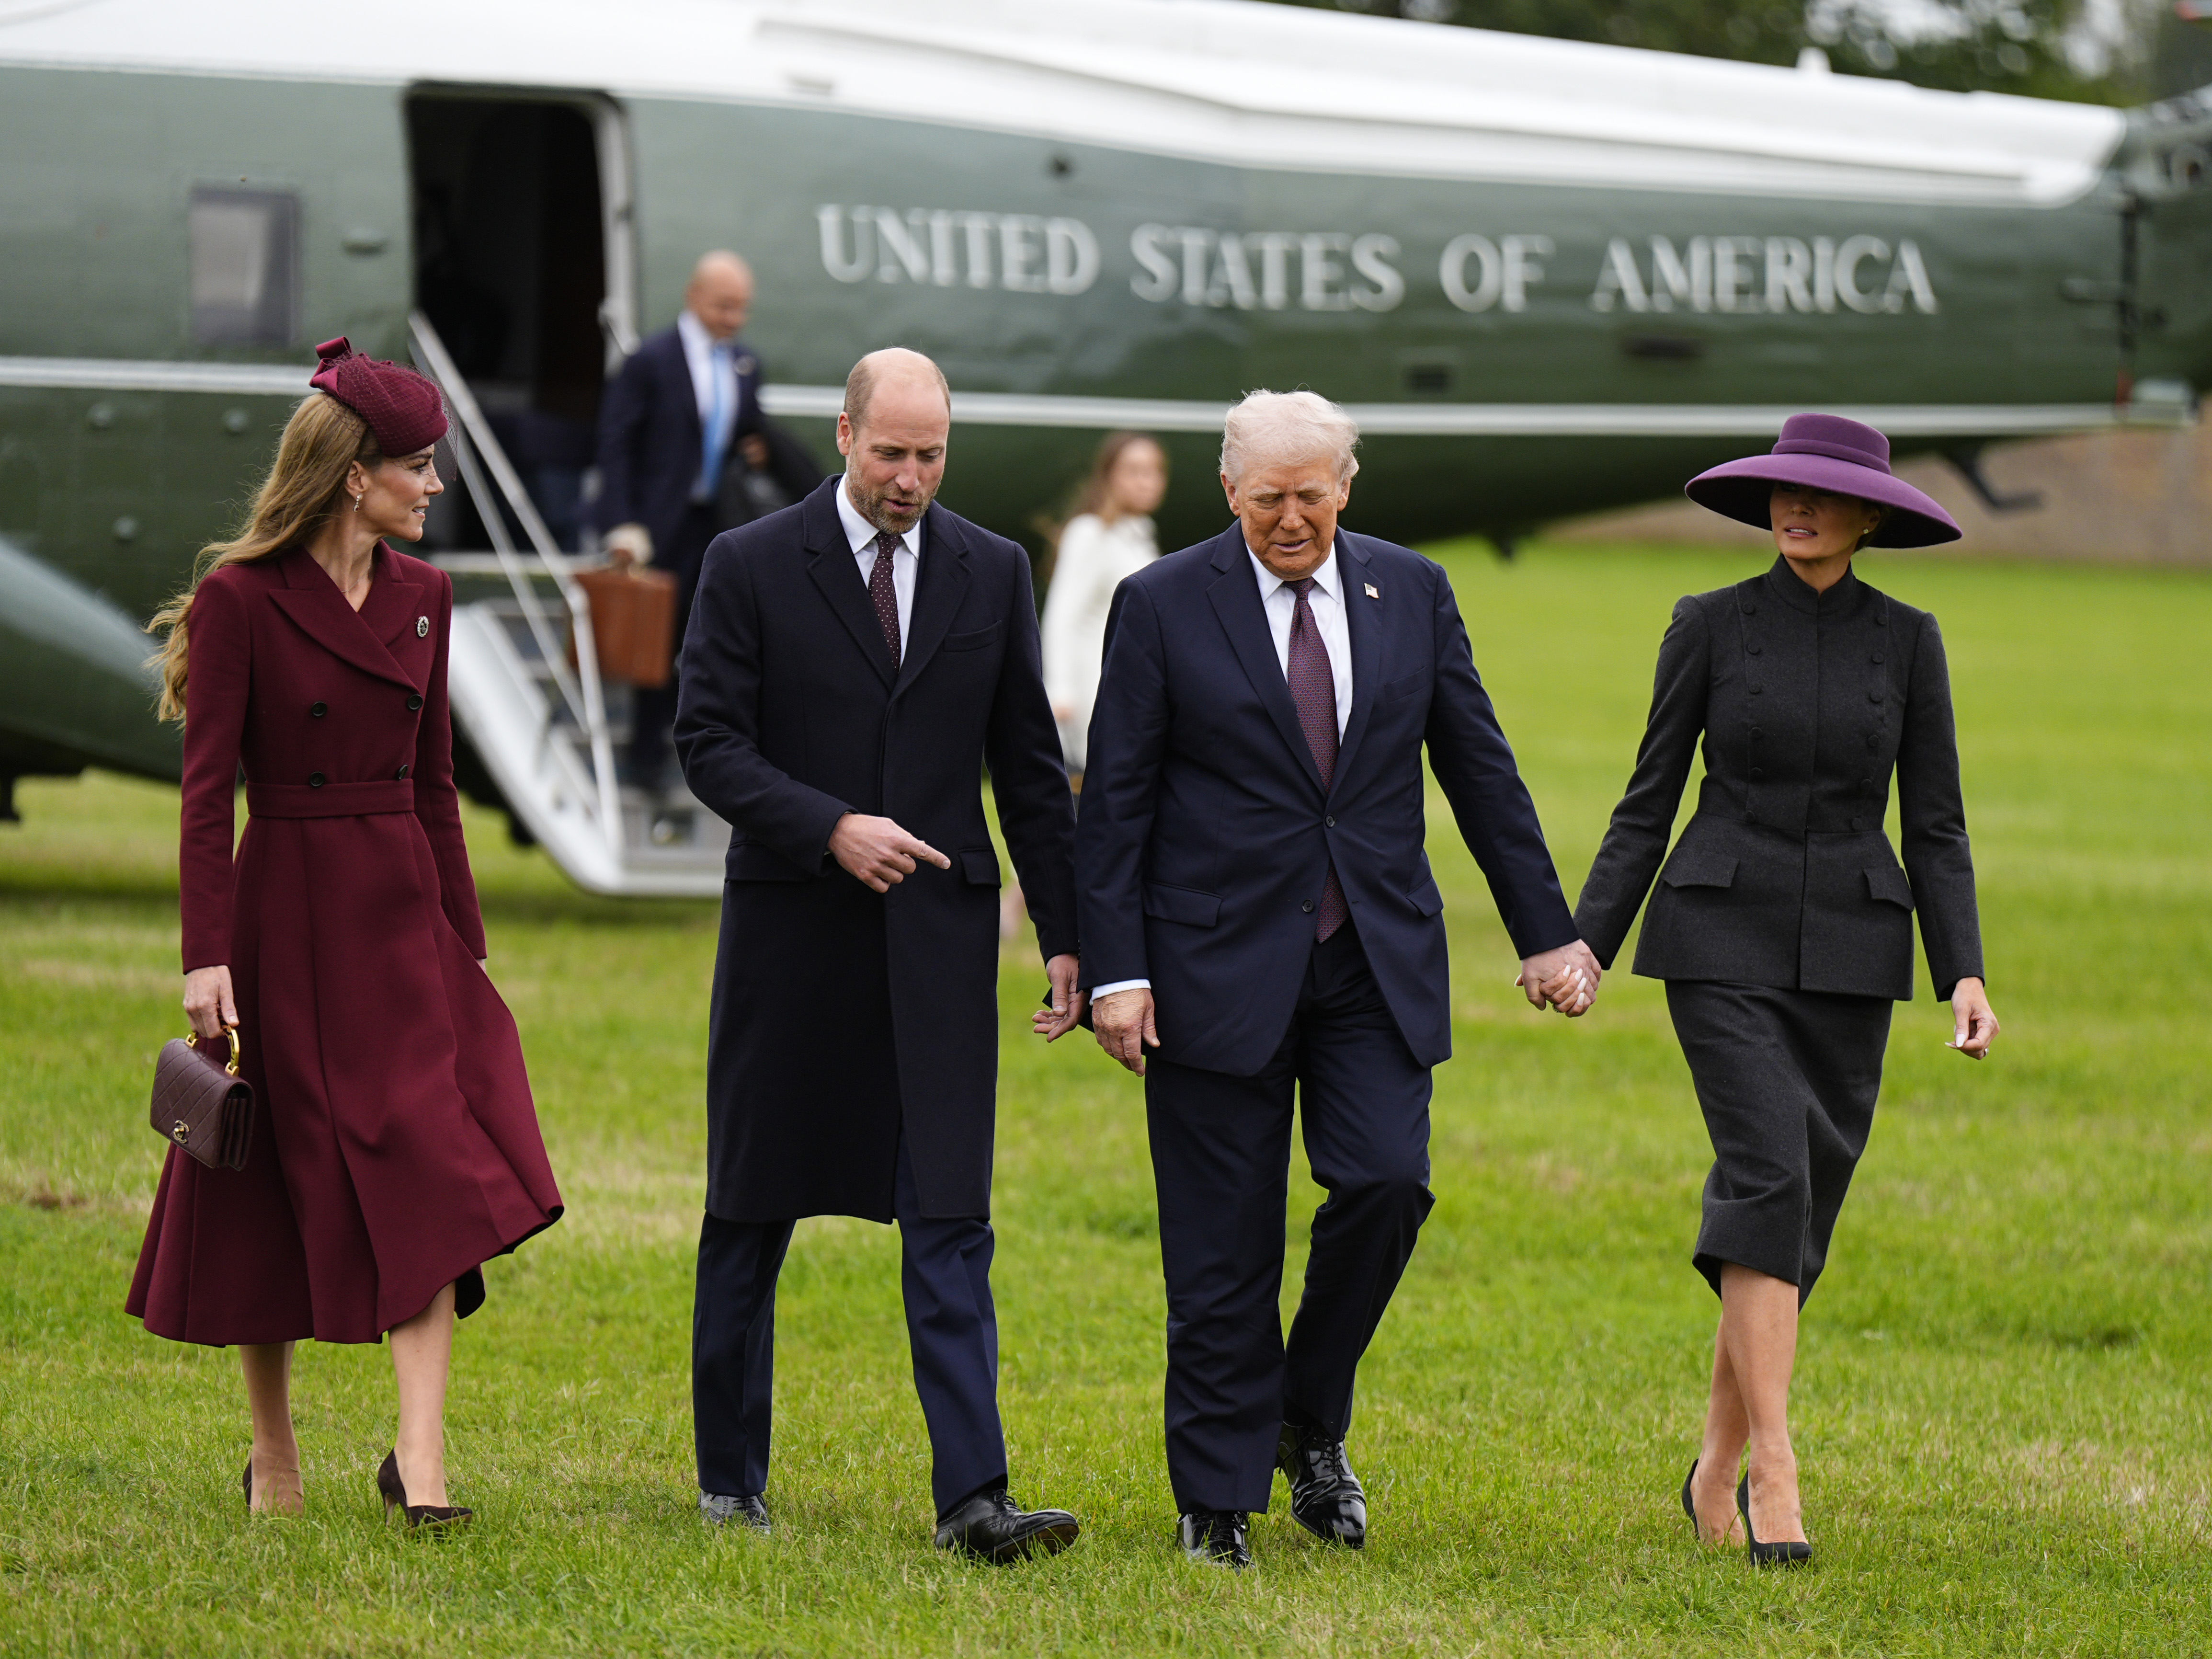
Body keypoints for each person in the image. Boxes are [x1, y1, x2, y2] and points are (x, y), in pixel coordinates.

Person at [1074, 390, 1601, 1569]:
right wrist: (1117, 969)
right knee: (1221, 1245)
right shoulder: (1160, 604)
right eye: (1267, 498)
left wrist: (1545, 931)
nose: (1290, 518)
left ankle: (1304, 1414)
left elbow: (1478, 765)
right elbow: (1112, 804)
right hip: (1210, 964)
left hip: (1372, 955)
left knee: (1383, 1184)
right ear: (1229, 492)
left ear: (1345, 487)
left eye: (1311, 494)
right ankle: (1214, 1498)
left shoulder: (1407, 590)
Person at [132, 338, 563, 1526]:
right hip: (278, 912)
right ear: (348, 474)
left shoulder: (429, 597)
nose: (432, 487)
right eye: (415, 467)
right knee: (258, 1176)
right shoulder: (238, 600)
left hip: (398, 918)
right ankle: (274, 1454)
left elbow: (434, 783)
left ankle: (421, 1466)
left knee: (429, 1161)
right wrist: (204, 953)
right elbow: (206, 792)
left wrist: (460, 938)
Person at [673, 347, 1085, 1559]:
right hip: (790, 939)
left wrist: (1068, 936)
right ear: (844, 432)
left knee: (950, 1213)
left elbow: (1025, 770)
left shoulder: (992, 569)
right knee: (750, 1208)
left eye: (931, 454)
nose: (910, 477)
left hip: (939, 948)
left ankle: (973, 1496)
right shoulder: (748, 563)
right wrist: (826, 825)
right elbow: (706, 740)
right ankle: (728, 1476)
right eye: (890, 451)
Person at [1573, 413, 1999, 1567]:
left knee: (1792, 1209)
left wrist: (1959, 965)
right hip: (1715, 933)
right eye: (1781, 493)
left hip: (1856, 954)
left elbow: (1937, 821)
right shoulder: (1708, 624)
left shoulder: (1908, 641)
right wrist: (1585, 943)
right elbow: (1645, 795)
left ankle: (1710, 1467)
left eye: (1819, 497)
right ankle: (1774, 1463)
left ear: (1866, 518)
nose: (1795, 509)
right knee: (1765, 1170)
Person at [592, 250, 821, 791]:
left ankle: (697, 755)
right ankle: (644, 759)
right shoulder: (651, 359)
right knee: (655, 641)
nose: (733, 318)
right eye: (724, 306)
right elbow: (616, 443)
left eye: (742, 308)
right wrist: (622, 522)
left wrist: (767, 458)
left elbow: (746, 428)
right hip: (659, 524)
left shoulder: (743, 363)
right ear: (694, 297)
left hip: (716, 523)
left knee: (707, 640)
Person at [1039, 432, 1168, 778]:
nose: (1148, 481)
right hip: (1091, 692)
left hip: (1134, 690)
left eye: (1155, 471)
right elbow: (1063, 615)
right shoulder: (1089, 533)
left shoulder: (1141, 532)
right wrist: (1059, 691)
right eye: (1135, 470)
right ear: (1109, 475)